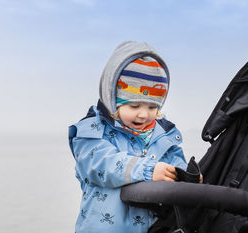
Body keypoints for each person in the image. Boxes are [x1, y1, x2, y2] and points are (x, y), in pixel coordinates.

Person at [68, 41, 187, 233]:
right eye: (134, 106)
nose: (143, 114)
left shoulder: (163, 135)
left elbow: (174, 163)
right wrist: (148, 171)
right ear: (113, 100)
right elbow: (102, 164)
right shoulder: (92, 130)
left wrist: (185, 175)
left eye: (152, 107)